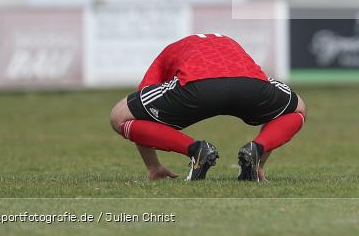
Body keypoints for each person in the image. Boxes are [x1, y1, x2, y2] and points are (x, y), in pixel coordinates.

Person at [109, 33, 306, 182]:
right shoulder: (228, 42)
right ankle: (257, 151)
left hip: (197, 85)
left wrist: (153, 166)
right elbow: (274, 113)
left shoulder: (170, 51)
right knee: (297, 109)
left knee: (119, 116)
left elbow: (137, 114)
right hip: (249, 84)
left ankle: (196, 150)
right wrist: (261, 160)